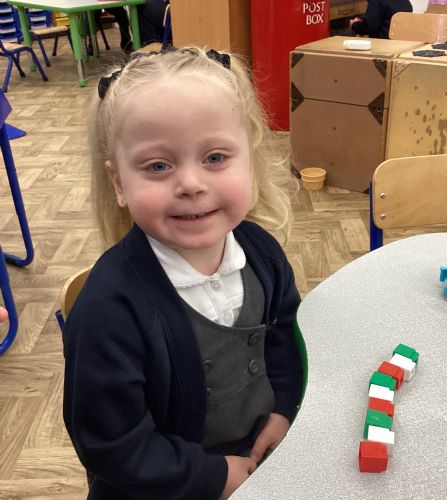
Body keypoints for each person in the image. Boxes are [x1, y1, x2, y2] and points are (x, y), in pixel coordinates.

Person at [63, 47, 304, 500]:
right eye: (158, 166)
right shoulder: (107, 309)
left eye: (215, 158)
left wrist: (285, 409)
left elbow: (288, 336)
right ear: (118, 183)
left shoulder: (263, 253)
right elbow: (111, 445)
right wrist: (212, 477)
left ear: (249, 160)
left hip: (259, 463)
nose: (191, 184)